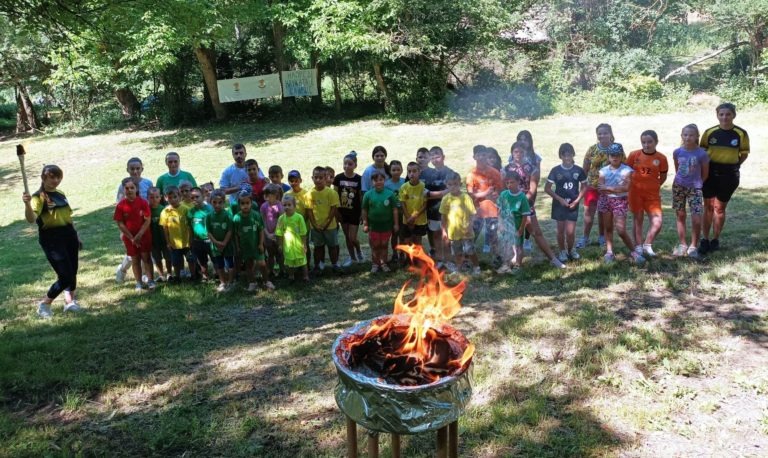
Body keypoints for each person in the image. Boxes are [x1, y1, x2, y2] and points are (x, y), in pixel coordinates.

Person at [22, 165, 83, 318]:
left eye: (58, 177)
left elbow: (68, 216)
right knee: (65, 275)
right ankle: (45, 304)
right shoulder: (38, 197)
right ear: (44, 178)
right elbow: (31, 219)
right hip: (52, 239)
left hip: (69, 234)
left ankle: (69, 302)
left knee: (73, 270)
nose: (56, 180)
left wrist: (76, 235)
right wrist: (27, 204)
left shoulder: (60, 194)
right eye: (52, 177)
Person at [504, 142, 566, 269]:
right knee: (514, 233)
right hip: (510, 207)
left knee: (536, 232)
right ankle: (516, 259)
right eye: (516, 152)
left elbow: (532, 189)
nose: (518, 154)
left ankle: (553, 259)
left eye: (521, 152)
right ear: (511, 153)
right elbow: (503, 189)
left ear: (525, 153)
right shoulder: (506, 169)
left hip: (525, 204)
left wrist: (521, 202)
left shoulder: (532, 169)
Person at [699, 102, 750, 254]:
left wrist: (733, 165)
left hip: (729, 174)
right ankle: (705, 239)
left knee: (719, 208)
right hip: (710, 172)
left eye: (728, 114)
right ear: (717, 115)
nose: (725, 117)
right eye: (721, 114)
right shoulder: (710, 132)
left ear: (733, 115)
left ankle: (715, 239)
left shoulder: (741, 133)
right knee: (708, 207)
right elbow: (702, 152)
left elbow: (744, 154)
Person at [578, 124, 624, 249]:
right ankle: (585, 238)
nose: (602, 135)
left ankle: (602, 238)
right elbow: (585, 169)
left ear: (610, 134)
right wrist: (583, 186)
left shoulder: (616, 148)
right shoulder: (592, 149)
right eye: (599, 133)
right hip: (592, 186)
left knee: (603, 214)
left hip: (608, 188)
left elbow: (622, 167)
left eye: (605, 133)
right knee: (588, 214)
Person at [598, 144, 645, 264]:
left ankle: (634, 251)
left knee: (620, 229)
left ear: (621, 156)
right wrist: (615, 188)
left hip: (620, 201)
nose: (615, 157)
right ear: (608, 157)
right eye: (612, 155)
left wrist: (609, 187)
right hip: (605, 200)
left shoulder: (627, 170)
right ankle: (609, 252)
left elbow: (625, 188)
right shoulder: (603, 171)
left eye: (617, 155)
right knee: (608, 228)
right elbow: (601, 189)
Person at [627, 130, 668, 257]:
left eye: (649, 142)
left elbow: (663, 176)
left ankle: (647, 244)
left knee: (657, 221)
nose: (646, 145)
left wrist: (654, 186)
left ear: (656, 142)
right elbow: (627, 172)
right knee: (638, 219)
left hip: (652, 194)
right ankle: (638, 246)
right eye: (643, 142)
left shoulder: (661, 158)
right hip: (635, 192)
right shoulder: (634, 155)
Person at [544, 143, 587, 263]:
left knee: (570, 231)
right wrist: (559, 199)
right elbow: (547, 188)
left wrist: (577, 201)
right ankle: (562, 251)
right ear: (560, 156)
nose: (567, 158)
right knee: (560, 230)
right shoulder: (555, 170)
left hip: (573, 204)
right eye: (564, 155)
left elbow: (584, 187)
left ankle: (571, 249)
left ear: (573, 154)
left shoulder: (578, 170)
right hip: (559, 205)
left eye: (569, 155)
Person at [672, 124, 710, 258]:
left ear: (697, 137)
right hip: (678, 187)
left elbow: (705, 173)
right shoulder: (677, 152)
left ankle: (693, 246)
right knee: (680, 215)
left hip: (695, 189)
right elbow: (677, 169)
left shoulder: (702, 154)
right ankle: (683, 244)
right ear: (681, 136)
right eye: (685, 135)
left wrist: (698, 184)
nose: (688, 137)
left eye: (691, 135)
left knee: (696, 219)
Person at [115, 157, 154, 283]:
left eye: (138, 168)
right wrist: (123, 230)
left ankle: (144, 276)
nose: (135, 171)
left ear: (142, 168)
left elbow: (152, 199)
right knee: (133, 255)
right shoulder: (123, 186)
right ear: (128, 170)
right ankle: (122, 269)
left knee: (145, 252)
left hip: (144, 222)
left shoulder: (148, 183)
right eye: (132, 169)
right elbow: (120, 206)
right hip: (130, 224)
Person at [439, 172, 480, 275]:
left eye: (455, 184)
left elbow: (472, 214)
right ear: (446, 185)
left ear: (460, 184)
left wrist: (470, 226)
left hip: (467, 231)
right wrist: (444, 231)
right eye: (450, 184)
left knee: (470, 250)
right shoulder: (446, 199)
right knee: (457, 252)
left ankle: (476, 267)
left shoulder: (465, 198)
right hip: (453, 231)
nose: (453, 187)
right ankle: (459, 269)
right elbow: (443, 216)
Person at [233, 191, 275, 291]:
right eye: (242, 203)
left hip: (256, 245)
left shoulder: (256, 215)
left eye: (247, 203)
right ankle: (252, 282)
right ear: (239, 205)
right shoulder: (236, 218)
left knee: (262, 264)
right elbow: (236, 234)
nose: (245, 206)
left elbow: (261, 230)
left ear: (251, 203)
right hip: (245, 246)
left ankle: (267, 281)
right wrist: (238, 247)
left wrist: (261, 243)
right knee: (248, 265)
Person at [421, 146, 454, 268]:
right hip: (433, 210)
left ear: (443, 157)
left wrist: (433, 194)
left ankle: (449, 260)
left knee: (447, 236)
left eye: (437, 156)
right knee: (435, 235)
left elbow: (452, 190)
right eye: (432, 157)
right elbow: (424, 193)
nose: (435, 159)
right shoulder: (426, 174)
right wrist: (441, 193)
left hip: (448, 211)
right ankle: (439, 260)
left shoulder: (450, 173)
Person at [466, 147, 502, 256]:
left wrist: (496, 195)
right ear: (474, 157)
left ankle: (497, 259)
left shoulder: (495, 173)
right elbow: (471, 195)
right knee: (472, 235)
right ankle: (467, 259)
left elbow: (500, 190)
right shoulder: (472, 174)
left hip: (492, 210)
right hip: (477, 210)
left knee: (493, 236)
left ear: (487, 156)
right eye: (479, 155)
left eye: (484, 155)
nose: (481, 157)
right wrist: (486, 193)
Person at [362, 171, 400, 273]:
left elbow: (395, 210)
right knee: (375, 245)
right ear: (372, 182)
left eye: (381, 180)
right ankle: (375, 264)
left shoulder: (390, 194)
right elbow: (364, 210)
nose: (378, 182)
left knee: (384, 245)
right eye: (375, 180)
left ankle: (383, 263)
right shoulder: (368, 194)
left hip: (387, 226)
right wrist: (365, 224)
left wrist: (396, 224)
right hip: (373, 227)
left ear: (384, 180)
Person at [307, 166, 341, 273]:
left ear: (326, 178)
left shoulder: (331, 193)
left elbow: (333, 210)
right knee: (318, 247)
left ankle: (335, 264)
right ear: (312, 178)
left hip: (330, 226)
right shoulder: (309, 194)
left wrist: (326, 223)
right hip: (315, 227)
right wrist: (315, 225)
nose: (318, 180)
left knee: (332, 246)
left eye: (321, 178)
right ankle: (318, 265)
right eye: (316, 177)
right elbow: (309, 211)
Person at [496, 170, 531, 273]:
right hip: (505, 224)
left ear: (518, 182)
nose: (509, 185)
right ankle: (506, 264)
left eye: (512, 182)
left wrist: (521, 228)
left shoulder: (522, 197)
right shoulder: (503, 194)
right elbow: (499, 210)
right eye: (507, 182)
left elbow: (525, 215)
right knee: (506, 245)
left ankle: (518, 264)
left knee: (518, 245)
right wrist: (500, 223)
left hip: (516, 224)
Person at [334, 152, 364, 267]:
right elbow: (335, 196)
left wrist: (362, 212)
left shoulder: (359, 179)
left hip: (354, 212)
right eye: (345, 164)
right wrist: (337, 212)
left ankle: (359, 251)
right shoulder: (338, 178)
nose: (347, 166)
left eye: (350, 164)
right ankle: (352, 258)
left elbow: (361, 197)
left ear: (355, 165)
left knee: (353, 238)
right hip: (342, 213)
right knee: (347, 237)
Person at [158, 186, 191, 283]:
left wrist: (191, 239)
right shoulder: (165, 212)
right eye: (170, 197)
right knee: (176, 261)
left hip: (186, 240)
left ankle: (194, 274)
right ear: (165, 198)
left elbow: (190, 225)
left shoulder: (185, 209)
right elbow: (165, 228)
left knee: (190, 259)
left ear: (180, 197)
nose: (172, 200)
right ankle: (177, 277)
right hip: (174, 242)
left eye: (175, 197)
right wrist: (168, 242)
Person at [276, 195, 309, 282]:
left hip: (298, 245)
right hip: (288, 245)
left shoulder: (299, 217)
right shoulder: (281, 219)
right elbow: (279, 233)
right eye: (284, 205)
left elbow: (303, 232)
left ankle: (305, 276)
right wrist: (279, 245)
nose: (286, 207)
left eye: (289, 205)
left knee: (303, 262)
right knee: (289, 262)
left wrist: (304, 244)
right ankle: (291, 275)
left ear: (294, 206)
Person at [206, 189, 235, 292]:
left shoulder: (227, 215)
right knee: (219, 265)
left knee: (230, 264)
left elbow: (230, 230)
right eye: (214, 202)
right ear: (210, 202)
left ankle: (231, 282)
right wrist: (217, 243)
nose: (217, 205)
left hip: (227, 245)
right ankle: (223, 282)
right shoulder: (209, 216)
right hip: (215, 246)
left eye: (220, 202)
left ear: (224, 202)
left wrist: (224, 243)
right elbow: (208, 232)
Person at [399, 161, 429, 248]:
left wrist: (413, 217)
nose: (412, 174)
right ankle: (408, 259)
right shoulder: (404, 187)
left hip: (419, 220)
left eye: (414, 171)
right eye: (409, 171)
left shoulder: (423, 186)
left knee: (417, 241)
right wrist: (408, 218)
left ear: (420, 172)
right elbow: (402, 203)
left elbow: (425, 205)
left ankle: (418, 260)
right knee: (407, 241)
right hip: (407, 220)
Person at [285, 170, 311, 266]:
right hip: (291, 227)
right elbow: (285, 210)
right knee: (293, 246)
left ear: (300, 180)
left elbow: (308, 211)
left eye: (296, 180)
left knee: (304, 245)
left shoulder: (306, 194)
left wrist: (302, 222)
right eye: (291, 181)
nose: (294, 183)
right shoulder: (287, 194)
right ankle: (296, 265)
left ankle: (306, 266)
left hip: (304, 225)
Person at [187, 187, 212, 281]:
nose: (195, 199)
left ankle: (218, 273)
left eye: (197, 197)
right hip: (197, 240)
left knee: (215, 258)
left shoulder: (209, 210)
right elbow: (190, 227)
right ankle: (205, 276)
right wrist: (190, 240)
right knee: (202, 260)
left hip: (209, 240)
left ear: (203, 196)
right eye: (192, 197)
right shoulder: (191, 212)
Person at [261, 184, 285, 278]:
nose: (265, 196)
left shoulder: (280, 206)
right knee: (270, 254)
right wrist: (267, 234)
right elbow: (262, 221)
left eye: (268, 194)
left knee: (280, 254)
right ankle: (270, 271)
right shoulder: (263, 206)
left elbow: (281, 221)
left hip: (278, 235)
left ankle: (282, 271)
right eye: (264, 194)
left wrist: (276, 234)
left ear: (275, 194)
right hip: (268, 235)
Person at [148, 187, 172, 282]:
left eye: (157, 197)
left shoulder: (164, 209)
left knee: (168, 257)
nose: (154, 199)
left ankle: (169, 273)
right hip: (153, 239)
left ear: (160, 197)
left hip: (165, 239)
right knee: (157, 258)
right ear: (148, 198)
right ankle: (161, 275)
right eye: (151, 197)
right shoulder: (147, 210)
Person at [385, 160, 406, 264]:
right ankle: (394, 253)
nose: (396, 172)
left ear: (402, 170)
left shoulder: (404, 182)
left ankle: (402, 253)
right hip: (392, 213)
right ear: (390, 171)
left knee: (402, 234)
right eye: (393, 170)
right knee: (394, 234)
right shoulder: (386, 184)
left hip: (403, 211)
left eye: (398, 169)